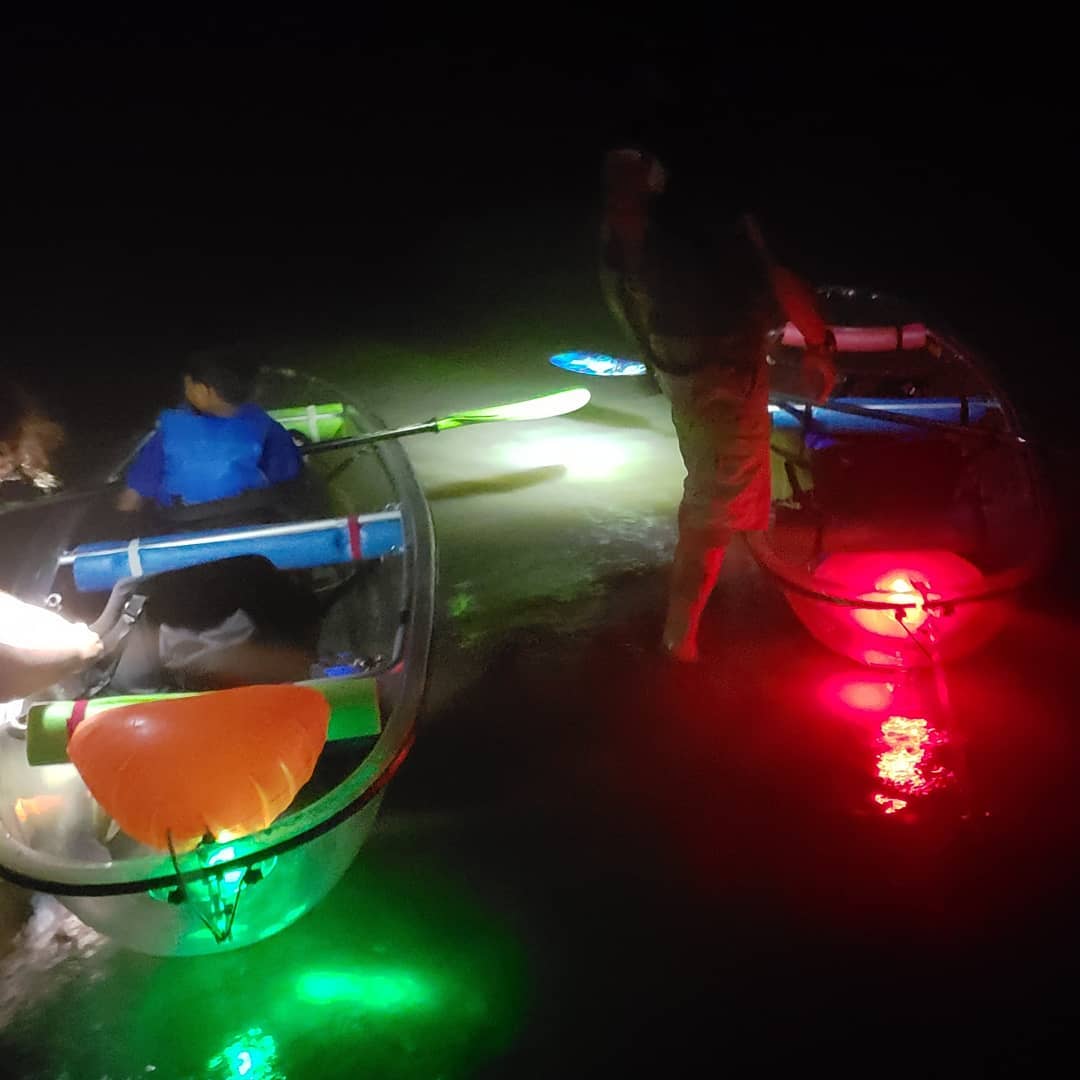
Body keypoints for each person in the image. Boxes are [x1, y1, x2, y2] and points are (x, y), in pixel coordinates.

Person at [599, 146, 837, 662]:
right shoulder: (690, 212)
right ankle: (679, 646)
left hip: (690, 368)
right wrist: (819, 345)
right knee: (714, 504)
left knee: (736, 488)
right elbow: (779, 276)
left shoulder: (640, 221)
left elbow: (629, 290)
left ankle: (741, 602)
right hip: (716, 374)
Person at [117, 345, 303, 514]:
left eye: (187, 383)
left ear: (203, 391)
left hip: (182, 526)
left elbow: (131, 499)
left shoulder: (170, 430)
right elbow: (287, 476)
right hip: (246, 519)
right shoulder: (263, 424)